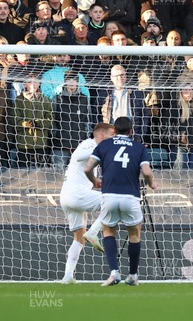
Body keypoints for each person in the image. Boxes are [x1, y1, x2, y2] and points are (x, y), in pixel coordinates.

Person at [84, 116, 158, 286]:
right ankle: (132, 275)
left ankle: (114, 273)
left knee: (109, 232)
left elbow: (87, 168)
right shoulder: (139, 147)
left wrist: (94, 182)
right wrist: (151, 183)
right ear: (131, 131)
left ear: (114, 131)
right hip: (130, 196)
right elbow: (146, 172)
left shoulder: (104, 145)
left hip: (109, 195)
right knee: (134, 234)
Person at [59, 122, 115, 284]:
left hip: (69, 196)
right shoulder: (89, 144)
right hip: (75, 194)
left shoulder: (96, 150)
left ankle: (68, 276)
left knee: (78, 238)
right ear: (101, 135)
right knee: (113, 202)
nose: (114, 138)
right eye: (112, 135)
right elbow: (78, 157)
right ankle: (94, 232)